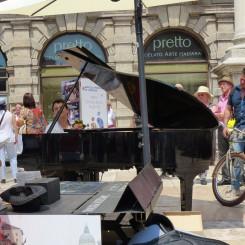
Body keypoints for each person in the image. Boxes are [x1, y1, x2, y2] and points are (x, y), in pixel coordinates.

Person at [223, 68, 245, 195]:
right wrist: (227, 126)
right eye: (241, 79)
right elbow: (229, 110)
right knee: (237, 160)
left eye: (244, 81)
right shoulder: (234, 91)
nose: (242, 82)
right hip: (237, 131)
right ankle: (235, 187)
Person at [212, 76, 234, 185]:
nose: (221, 86)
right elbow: (218, 111)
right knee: (222, 153)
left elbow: (230, 112)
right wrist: (217, 114)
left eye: (224, 84)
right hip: (221, 127)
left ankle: (236, 178)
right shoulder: (221, 98)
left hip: (231, 127)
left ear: (230, 85)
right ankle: (226, 178)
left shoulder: (233, 96)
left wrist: (221, 115)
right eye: (220, 84)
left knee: (235, 153)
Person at [194, 85, 214, 185]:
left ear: (207, 97)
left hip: (207, 134)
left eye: (202, 95)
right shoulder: (195, 107)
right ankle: (195, 174)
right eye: (199, 95)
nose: (200, 96)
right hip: (196, 133)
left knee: (205, 155)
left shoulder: (212, 108)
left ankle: (203, 176)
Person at [0, 99, 18, 183]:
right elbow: (15, 127)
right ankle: (15, 177)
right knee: (13, 158)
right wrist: (16, 138)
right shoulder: (11, 115)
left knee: (1, 158)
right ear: (5, 105)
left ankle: (3, 178)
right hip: (10, 138)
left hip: (0, 140)